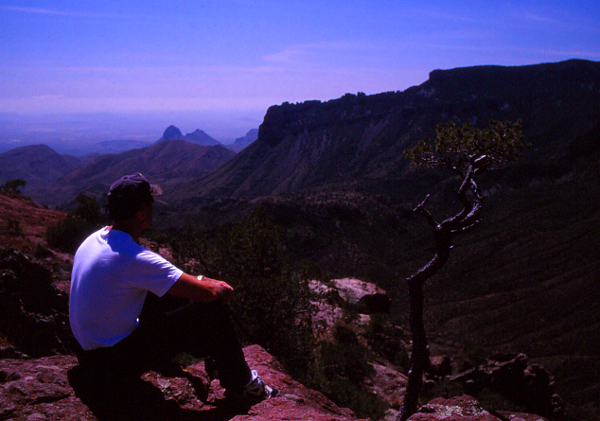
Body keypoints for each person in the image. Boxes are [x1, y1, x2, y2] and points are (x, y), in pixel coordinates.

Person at [69, 173, 277, 407]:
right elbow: (207, 294)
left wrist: (202, 280)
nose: (153, 208)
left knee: (168, 294)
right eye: (151, 203)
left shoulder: (94, 240)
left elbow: (174, 281)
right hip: (112, 362)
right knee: (210, 309)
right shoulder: (133, 257)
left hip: (87, 354)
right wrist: (217, 289)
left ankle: (218, 361)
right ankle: (244, 385)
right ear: (141, 211)